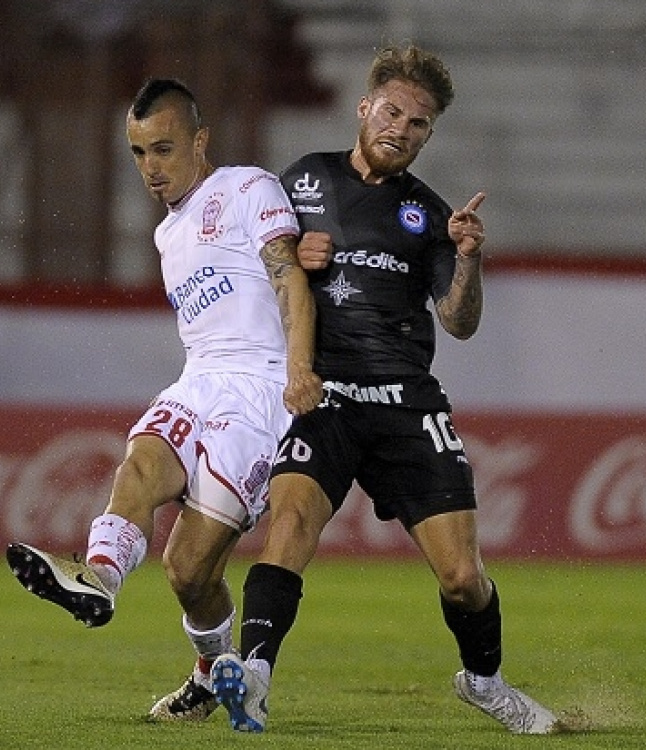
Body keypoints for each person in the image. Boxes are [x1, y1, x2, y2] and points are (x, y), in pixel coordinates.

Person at [209, 45, 562, 735]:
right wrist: (286, 256)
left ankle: (485, 683)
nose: (401, 129)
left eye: (418, 123)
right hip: (326, 396)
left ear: (429, 135)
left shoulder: (429, 214)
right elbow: (247, 271)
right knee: (290, 524)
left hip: (406, 404)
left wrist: (468, 259)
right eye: (392, 112)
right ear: (364, 107)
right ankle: (253, 676)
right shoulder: (303, 180)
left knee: (463, 577)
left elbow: (459, 322)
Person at [6, 78, 322, 722]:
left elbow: (288, 275)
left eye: (164, 149)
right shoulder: (167, 234)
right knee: (141, 463)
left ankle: (210, 674)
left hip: (260, 394)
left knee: (187, 570)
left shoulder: (247, 187)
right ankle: (98, 578)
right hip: (197, 381)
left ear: (200, 141)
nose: (151, 167)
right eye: (139, 152)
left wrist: (298, 371)